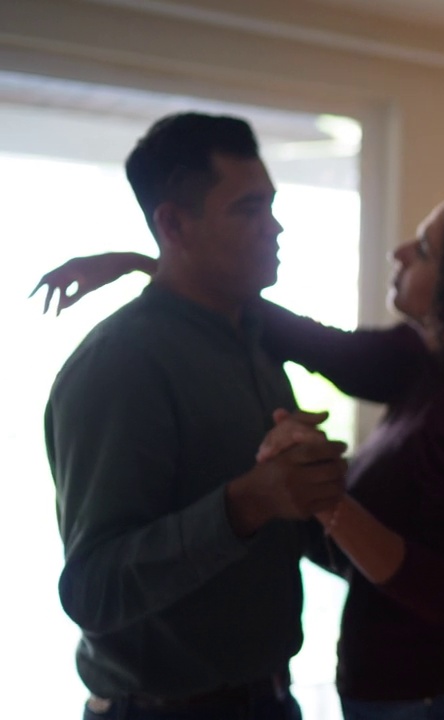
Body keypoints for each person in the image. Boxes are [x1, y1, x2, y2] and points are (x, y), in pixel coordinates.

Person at [38, 183, 444, 720]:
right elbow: (295, 335)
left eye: (423, 249)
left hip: (443, 700)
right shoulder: (420, 364)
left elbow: (439, 593)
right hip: (402, 695)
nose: (399, 252)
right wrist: (158, 268)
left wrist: (318, 495)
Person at [44, 112, 349, 719]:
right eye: (249, 210)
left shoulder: (254, 342)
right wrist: (249, 501)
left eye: (272, 206)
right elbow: (91, 589)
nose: (275, 227)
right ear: (175, 224)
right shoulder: (121, 364)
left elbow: (279, 522)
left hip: (271, 699)